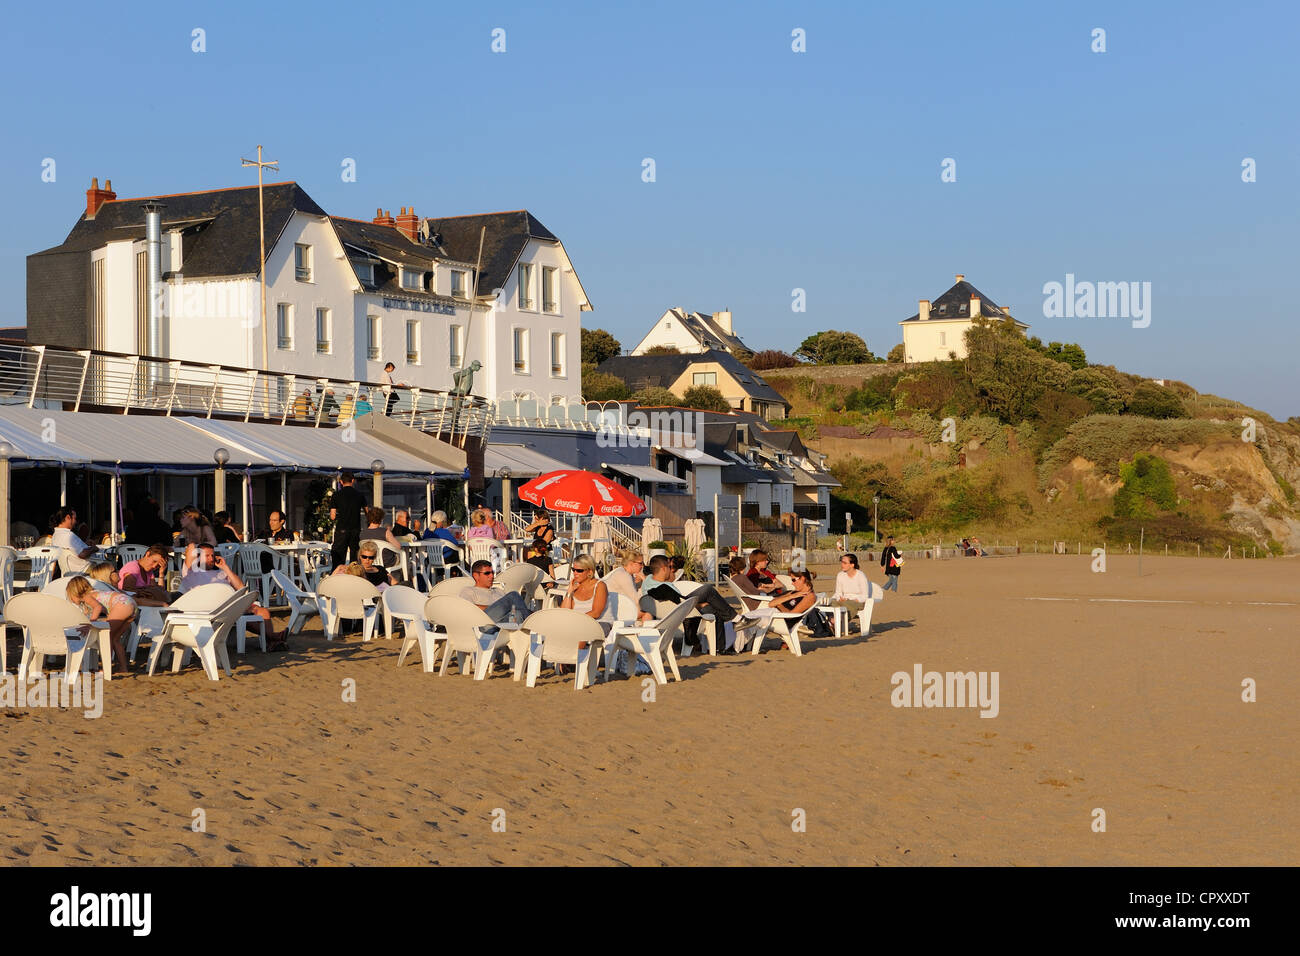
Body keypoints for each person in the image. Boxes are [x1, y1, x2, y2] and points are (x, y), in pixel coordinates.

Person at [180, 543, 283, 649]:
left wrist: (225, 568)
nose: (211, 558)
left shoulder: (220, 572)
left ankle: (272, 642)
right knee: (239, 614)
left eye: (212, 555)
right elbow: (191, 546)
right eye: (207, 556)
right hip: (210, 610)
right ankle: (274, 638)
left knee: (263, 611)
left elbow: (240, 587)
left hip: (231, 605)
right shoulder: (191, 572)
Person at [636, 554, 737, 650]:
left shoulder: (648, 582)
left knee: (712, 610)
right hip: (681, 615)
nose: (671, 570)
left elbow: (674, 601)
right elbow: (680, 604)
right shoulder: (665, 588)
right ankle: (733, 617)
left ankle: (719, 647)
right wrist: (699, 605)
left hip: (669, 614)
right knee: (707, 589)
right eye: (669, 566)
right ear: (663, 568)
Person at [65, 574, 130, 676]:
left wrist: (91, 623)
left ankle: (106, 669)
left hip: (122, 604)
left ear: (75, 591)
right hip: (129, 603)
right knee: (115, 639)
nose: (71, 599)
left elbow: (98, 608)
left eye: (70, 596)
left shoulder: (87, 596)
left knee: (107, 636)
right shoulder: (94, 594)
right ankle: (123, 668)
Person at [459, 560, 530, 632]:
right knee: (513, 595)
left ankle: (522, 633)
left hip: (501, 626)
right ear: (476, 575)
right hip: (484, 625)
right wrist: (495, 608)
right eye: (487, 573)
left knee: (518, 614)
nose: (492, 576)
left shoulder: (498, 591)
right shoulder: (469, 591)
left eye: (492, 572)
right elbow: (467, 609)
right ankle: (531, 625)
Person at [770, 569, 834, 638]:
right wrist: (791, 596)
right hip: (773, 615)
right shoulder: (794, 592)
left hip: (779, 620)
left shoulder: (809, 597)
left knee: (758, 620)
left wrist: (778, 605)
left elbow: (791, 615)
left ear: (802, 578)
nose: (792, 583)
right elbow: (771, 603)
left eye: (793, 580)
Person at [561, 554, 613, 634]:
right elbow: (565, 612)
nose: (575, 573)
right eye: (573, 569)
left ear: (590, 571)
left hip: (600, 623)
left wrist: (576, 621)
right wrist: (569, 591)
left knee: (581, 631)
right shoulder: (575, 587)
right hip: (579, 623)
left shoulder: (599, 585)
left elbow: (596, 613)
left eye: (579, 570)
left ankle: (576, 646)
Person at [330, 473, 366, 568]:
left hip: (342, 529)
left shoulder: (336, 495)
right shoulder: (360, 495)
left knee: (338, 558)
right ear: (353, 481)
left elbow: (332, 516)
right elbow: (367, 513)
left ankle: (338, 577)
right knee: (355, 558)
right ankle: (354, 577)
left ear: (341, 482)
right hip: (355, 529)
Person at [50, 508, 96, 572]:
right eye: (74, 518)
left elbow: (72, 549)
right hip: (83, 570)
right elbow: (82, 554)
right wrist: (94, 548)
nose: (75, 521)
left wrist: (85, 543)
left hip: (68, 571)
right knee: (108, 567)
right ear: (68, 518)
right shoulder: (68, 535)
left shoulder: (55, 536)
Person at [832, 552, 871, 626]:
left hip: (857, 602)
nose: (842, 565)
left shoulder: (861, 576)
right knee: (831, 602)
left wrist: (854, 600)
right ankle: (832, 622)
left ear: (852, 565)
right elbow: (838, 592)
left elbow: (865, 596)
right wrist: (840, 598)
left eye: (844, 563)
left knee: (849, 605)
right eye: (842, 562)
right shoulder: (840, 575)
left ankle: (836, 623)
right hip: (843, 600)